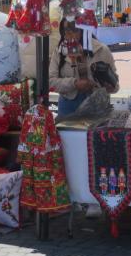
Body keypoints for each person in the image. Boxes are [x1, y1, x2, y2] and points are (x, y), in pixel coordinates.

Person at [49, 19, 120, 219]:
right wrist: (74, 83)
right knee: (70, 153)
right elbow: (51, 79)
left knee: (94, 152)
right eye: (66, 31)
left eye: (74, 30)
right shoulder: (60, 51)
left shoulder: (101, 50)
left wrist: (105, 83)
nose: (70, 35)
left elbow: (115, 86)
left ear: (84, 31)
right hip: (69, 104)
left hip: (95, 105)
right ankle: (73, 197)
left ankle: (95, 198)